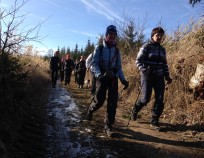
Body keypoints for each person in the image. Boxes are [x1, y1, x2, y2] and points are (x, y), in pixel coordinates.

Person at [83, 25, 129, 137]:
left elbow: (118, 67)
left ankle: (108, 126)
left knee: (113, 102)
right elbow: (94, 64)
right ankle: (90, 110)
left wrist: (123, 80)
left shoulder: (117, 51)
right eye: (110, 34)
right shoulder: (99, 48)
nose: (112, 37)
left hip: (113, 78)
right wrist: (99, 75)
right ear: (106, 35)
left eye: (114, 35)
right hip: (101, 77)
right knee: (99, 100)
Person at [131, 27, 172, 130]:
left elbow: (164, 64)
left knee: (160, 99)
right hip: (147, 76)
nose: (159, 37)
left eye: (161, 35)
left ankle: (154, 122)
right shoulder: (146, 47)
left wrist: (167, 76)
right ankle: (135, 109)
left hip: (159, 77)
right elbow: (138, 61)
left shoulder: (162, 49)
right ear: (152, 35)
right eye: (157, 35)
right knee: (145, 99)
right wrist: (144, 70)